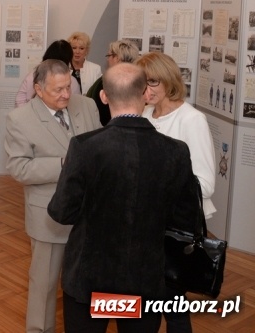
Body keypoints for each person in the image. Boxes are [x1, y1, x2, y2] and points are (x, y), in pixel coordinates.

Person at [47, 63, 201, 333]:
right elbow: (186, 220)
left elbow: (61, 212)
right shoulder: (175, 152)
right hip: (144, 279)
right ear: (144, 94)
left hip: (90, 279)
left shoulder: (84, 146)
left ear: (104, 97)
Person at [4, 59, 101, 333]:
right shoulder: (20, 119)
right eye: (58, 90)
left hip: (89, 216)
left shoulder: (87, 105)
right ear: (38, 88)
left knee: (89, 282)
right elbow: (19, 168)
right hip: (49, 217)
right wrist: (64, 163)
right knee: (44, 286)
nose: (66, 95)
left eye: (68, 87)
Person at [137, 52, 216, 333]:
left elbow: (205, 183)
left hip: (175, 230)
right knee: (144, 307)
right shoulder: (145, 113)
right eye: (141, 84)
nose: (146, 90)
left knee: (174, 307)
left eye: (152, 82)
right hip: (145, 227)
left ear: (169, 81)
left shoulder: (192, 119)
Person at [85, 39, 140, 125]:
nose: (107, 60)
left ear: (117, 58)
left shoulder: (106, 82)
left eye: (109, 56)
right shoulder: (139, 80)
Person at [15, 40, 80, 108]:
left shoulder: (32, 75)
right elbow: (76, 106)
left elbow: (19, 101)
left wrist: (28, 116)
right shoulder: (70, 81)